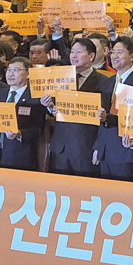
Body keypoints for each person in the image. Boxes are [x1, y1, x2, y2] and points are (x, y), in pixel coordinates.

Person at [43, 38, 107, 177]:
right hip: (61, 147)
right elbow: (55, 109)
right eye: (72, 52)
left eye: (78, 52)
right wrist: (49, 106)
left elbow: (104, 120)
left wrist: (98, 147)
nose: (74, 56)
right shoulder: (62, 78)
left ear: (91, 56)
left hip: (86, 147)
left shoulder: (103, 81)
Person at [94, 37, 133, 180]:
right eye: (113, 52)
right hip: (105, 149)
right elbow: (101, 116)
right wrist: (98, 147)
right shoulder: (107, 82)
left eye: (119, 52)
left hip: (126, 151)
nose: (114, 56)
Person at [0, 57, 45, 170]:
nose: (10, 74)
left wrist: (19, 134)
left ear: (28, 74)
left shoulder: (35, 98)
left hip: (19, 155)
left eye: (15, 70)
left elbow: (38, 129)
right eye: (8, 70)